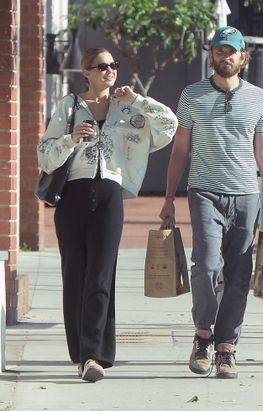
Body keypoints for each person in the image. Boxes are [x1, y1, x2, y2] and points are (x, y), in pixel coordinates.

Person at [37, 48, 178, 382]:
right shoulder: (70, 106)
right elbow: (44, 155)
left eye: (114, 65)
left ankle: (93, 354)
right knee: (75, 276)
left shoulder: (127, 107)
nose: (110, 71)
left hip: (110, 194)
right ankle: (80, 352)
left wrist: (140, 100)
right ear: (86, 72)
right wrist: (71, 139)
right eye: (102, 66)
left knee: (101, 275)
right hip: (72, 194)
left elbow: (169, 124)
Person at [160, 26, 263, 379]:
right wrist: (169, 198)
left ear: (242, 56)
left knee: (238, 274)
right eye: (219, 50)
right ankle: (203, 335)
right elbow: (180, 149)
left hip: (247, 195)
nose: (225, 56)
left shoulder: (259, 98)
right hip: (204, 192)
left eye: (231, 51)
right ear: (211, 55)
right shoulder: (192, 95)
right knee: (206, 264)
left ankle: (227, 347)